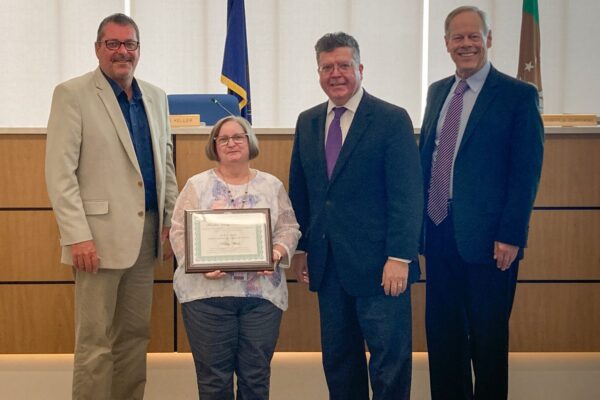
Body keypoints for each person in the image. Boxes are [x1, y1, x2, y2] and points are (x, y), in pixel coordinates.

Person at [45, 13, 178, 400]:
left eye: (130, 44)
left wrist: (170, 223)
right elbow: (60, 174)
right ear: (98, 49)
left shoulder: (155, 96)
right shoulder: (72, 94)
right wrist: (77, 237)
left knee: (135, 337)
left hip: (146, 235)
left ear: (139, 49)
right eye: (113, 44)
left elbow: (165, 166)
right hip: (96, 242)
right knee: (95, 343)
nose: (123, 52)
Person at [288, 32, 423, 399]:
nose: (336, 74)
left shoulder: (391, 119)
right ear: (318, 73)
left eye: (344, 65)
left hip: (382, 269)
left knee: (388, 365)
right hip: (329, 268)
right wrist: (301, 250)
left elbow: (407, 196)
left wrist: (400, 257)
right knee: (339, 362)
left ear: (360, 69)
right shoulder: (308, 122)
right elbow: (302, 192)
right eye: (327, 67)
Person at [419, 6, 544, 399]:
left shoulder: (518, 95)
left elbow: (525, 173)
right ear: (446, 44)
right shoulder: (438, 91)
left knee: (488, 344)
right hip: (438, 233)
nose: (466, 44)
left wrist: (511, 235)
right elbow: (429, 156)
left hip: (491, 244)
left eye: (474, 36)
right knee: (443, 340)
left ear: (488, 40)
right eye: (458, 37)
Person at [169, 116, 300, 400]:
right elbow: (178, 231)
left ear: (249, 140)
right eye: (223, 139)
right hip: (206, 299)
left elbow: (289, 228)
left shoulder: (271, 185)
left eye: (238, 137)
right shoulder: (196, 185)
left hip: (261, 299)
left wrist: (275, 254)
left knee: (256, 378)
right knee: (214, 381)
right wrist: (198, 263)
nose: (231, 143)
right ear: (214, 146)